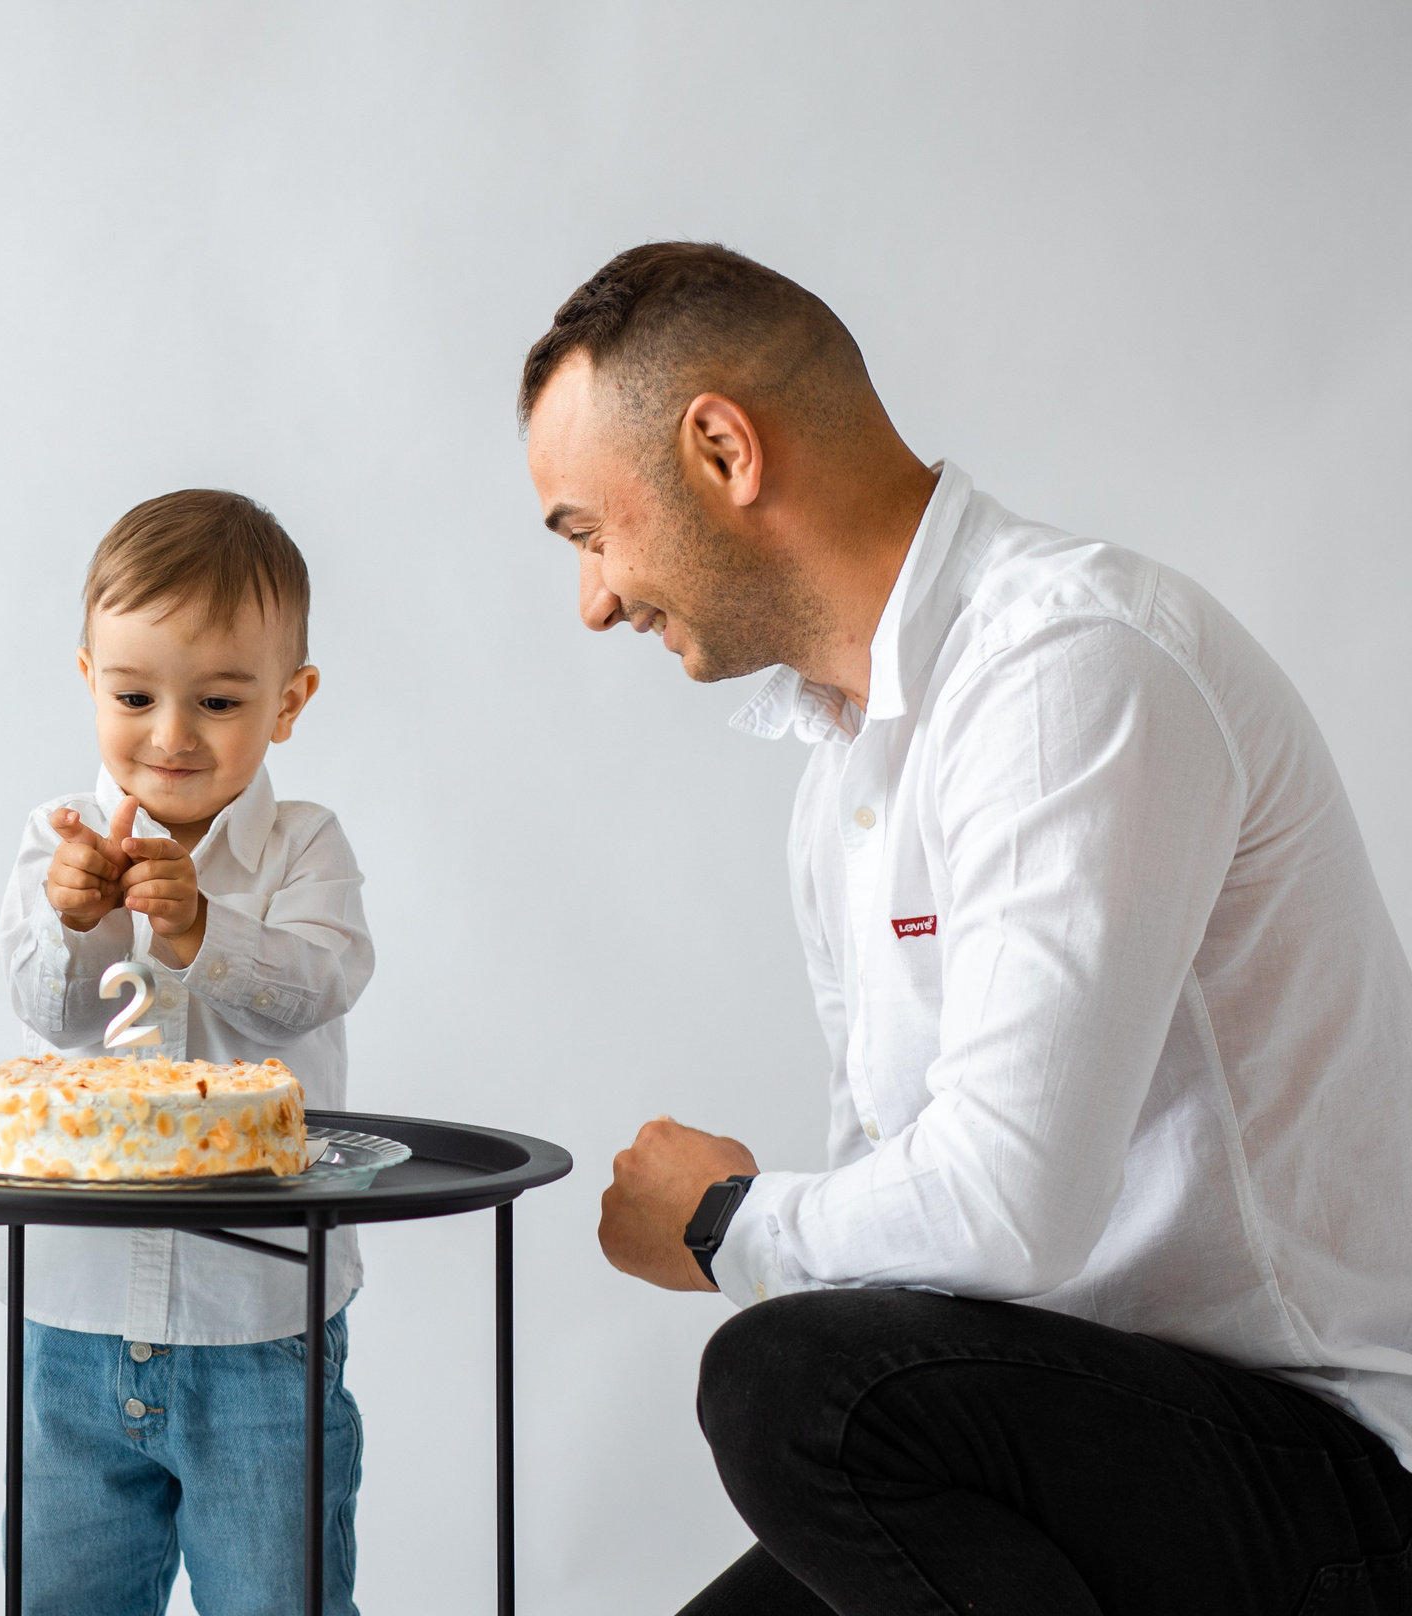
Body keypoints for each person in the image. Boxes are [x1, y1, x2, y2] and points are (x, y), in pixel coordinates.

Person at [516, 242, 1412, 1613]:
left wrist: (724, 1223)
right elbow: (914, 1254)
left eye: (590, 530)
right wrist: (771, 1242)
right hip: (1073, 1449)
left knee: (788, 1388)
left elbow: (1003, 1210)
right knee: (809, 1381)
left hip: (1329, 1480)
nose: (592, 601)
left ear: (721, 450)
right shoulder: (847, 780)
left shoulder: (1070, 667)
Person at [0, 490, 375, 1615]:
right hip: (72, 1309)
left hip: (257, 1316)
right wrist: (80, 920)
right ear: (86, 679)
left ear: (289, 701)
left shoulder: (304, 843)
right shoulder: (54, 836)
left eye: (216, 699)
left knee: (279, 1597)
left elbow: (322, 979)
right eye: (133, 695)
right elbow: (43, 1006)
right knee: (62, 1595)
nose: (170, 735)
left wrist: (204, 930)